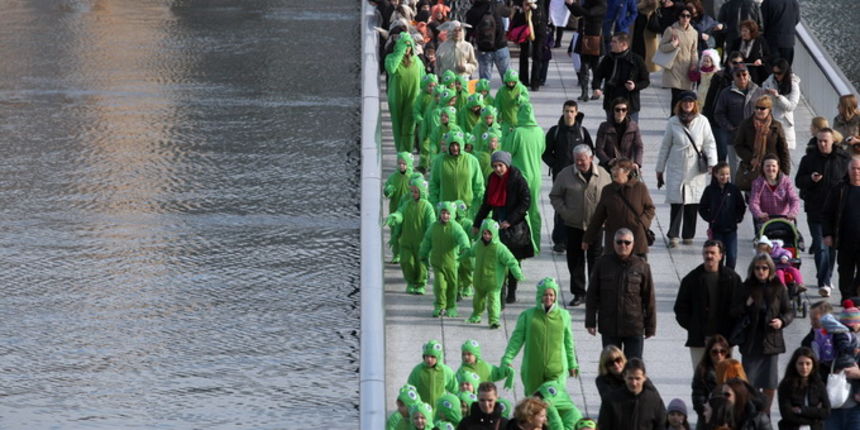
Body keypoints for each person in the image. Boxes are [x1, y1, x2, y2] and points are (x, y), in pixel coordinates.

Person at [731, 253, 795, 415]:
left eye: (764, 268)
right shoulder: (745, 287)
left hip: (771, 342)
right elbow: (733, 311)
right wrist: (746, 305)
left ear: (770, 270)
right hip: (751, 342)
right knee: (749, 382)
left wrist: (781, 321)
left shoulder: (779, 288)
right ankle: (750, 413)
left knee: (769, 383)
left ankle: (764, 414)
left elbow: (788, 311)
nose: (761, 271)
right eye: (757, 268)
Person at [549, 145, 612, 306]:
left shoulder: (603, 175)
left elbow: (611, 197)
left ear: (591, 158)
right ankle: (578, 293)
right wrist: (565, 212)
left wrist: (606, 216)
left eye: (582, 160)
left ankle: (594, 293)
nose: (579, 163)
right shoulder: (565, 174)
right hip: (573, 224)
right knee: (575, 260)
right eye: (577, 160)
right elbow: (555, 196)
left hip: (596, 226)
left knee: (595, 260)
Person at [656, 90, 718, 247]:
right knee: (677, 201)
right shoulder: (673, 122)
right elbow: (665, 146)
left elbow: (709, 143)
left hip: (695, 167)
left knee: (693, 201)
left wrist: (712, 163)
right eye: (685, 102)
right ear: (680, 104)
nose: (688, 105)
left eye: (691, 102)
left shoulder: (702, 121)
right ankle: (673, 235)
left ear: (695, 104)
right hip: (677, 164)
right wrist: (660, 168)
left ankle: (688, 234)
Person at [473, 151, 534, 304]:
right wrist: (477, 222)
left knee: (513, 260)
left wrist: (510, 220)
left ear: (506, 165)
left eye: (500, 165)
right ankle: (500, 291)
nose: (498, 169)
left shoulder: (517, 179)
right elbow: (487, 203)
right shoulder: (492, 179)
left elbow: (526, 201)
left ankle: (512, 291)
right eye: (495, 166)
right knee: (497, 260)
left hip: (514, 226)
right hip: (497, 224)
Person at [585, 228, 656, 359]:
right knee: (612, 368)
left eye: (627, 242)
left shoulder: (642, 266)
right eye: (619, 242)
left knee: (633, 368)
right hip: (609, 326)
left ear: (633, 244)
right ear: (613, 243)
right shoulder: (602, 264)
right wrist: (590, 321)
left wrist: (650, 326)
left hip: (634, 326)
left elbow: (649, 298)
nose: (623, 245)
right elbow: (592, 294)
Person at [501, 277, 579, 396]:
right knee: (532, 402)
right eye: (545, 295)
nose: (548, 298)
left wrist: (572, 363)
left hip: (556, 368)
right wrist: (507, 358)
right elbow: (516, 340)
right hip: (533, 368)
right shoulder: (528, 316)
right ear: (539, 296)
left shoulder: (564, 316)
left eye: (551, 295)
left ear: (556, 296)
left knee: (553, 401)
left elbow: (568, 342)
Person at [797, 129, 851, 297]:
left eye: (825, 141)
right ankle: (824, 282)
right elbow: (799, 181)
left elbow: (850, 183)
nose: (822, 144)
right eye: (819, 141)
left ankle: (826, 275)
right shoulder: (808, 159)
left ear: (833, 141)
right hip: (816, 210)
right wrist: (810, 179)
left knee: (832, 248)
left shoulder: (843, 160)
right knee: (820, 247)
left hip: (837, 213)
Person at [675, 241, 743, 365]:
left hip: (725, 339)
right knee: (700, 378)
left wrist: (733, 331)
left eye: (713, 253)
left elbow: (740, 306)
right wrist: (693, 326)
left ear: (720, 255)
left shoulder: (732, 279)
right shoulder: (691, 279)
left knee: (723, 378)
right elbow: (680, 308)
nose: (709, 256)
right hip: (699, 340)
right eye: (706, 253)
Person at [543, 100, 594, 254]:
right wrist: (556, 165)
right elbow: (545, 153)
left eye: (572, 111)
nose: (569, 114)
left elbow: (591, 151)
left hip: (579, 177)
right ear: (563, 112)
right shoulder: (555, 131)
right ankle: (559, 240)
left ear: (576, 113)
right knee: (560, 207)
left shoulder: (582, 132)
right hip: (560, 177)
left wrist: (584, 167)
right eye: (566, 111)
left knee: (579, 206)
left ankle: (576, 239)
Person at [584, 159, 655, 257]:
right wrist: (587, 239)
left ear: (626, 171)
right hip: (614, 240)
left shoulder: (639, 187)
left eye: (616, 169)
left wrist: (642, 223)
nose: (613, 172)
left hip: (636, 239)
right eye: (612, 169)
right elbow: (598, 216)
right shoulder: (607, 190)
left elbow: (650, 208)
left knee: (637, 270)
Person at [464, 219, 524, 328]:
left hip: (493, 282)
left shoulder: (500, 248)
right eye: (485, 233)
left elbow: (511, 261)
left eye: (489, 234)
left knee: (493, 301)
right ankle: (476, 315)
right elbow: (471, 252)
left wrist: (517, 273)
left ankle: (494, 320)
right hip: (479, 280)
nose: (487, 236)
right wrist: (462, 256)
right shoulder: (479, 245)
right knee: (478, 299)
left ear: (494, 234)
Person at [504, 100, 546, 254]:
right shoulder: (540, 132)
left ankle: (524, 243)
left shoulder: (517, 133)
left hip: (520, 177)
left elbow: (506, 152)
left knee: (520, 210)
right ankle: (537, 244)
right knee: (534, 210)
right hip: (536, 176)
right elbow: (542, 149)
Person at [420, 201, 471, 317]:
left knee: (453, 286)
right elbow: (427, 241)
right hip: (437, 263)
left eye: (448, 213)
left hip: (452, 263)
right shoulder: (434, 227)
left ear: (452, 214)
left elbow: (462, 237)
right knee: (440, 286)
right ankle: (440, 305)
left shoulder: (455, 227)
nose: (445, 216)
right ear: (439, 213)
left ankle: (451, 306)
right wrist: (423, 253)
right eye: (443, 213)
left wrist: (465, 247)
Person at [713, 63, 766, 177]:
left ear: (749, 75)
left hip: (756, 138)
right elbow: (719, 114)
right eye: (738, 75)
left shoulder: (759, 92)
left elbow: (767, 112)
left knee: (755, 171)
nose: (742, 78)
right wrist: (730, 128)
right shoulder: (726, 93)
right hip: (735, 139)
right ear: (733, 77)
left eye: (744, 74)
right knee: (736, 172)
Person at [388, 176, 436, 294]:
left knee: (421, 264)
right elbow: (400, 213)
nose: (413, 194)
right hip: (407, 241)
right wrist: (395, 217)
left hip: (421, 243)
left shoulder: (427, 207)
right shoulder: (407, 204)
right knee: (406, 262)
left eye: (416, 191)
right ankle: (410, 281)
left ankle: (420, 283)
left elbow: (431, 224)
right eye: (412, 191)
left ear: (422, 192)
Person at [734, 95, 791, 190]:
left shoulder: (776, 126)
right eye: (757, 108)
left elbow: (783, 150)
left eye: (762, 108)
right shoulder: (745, 124)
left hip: (771, 171)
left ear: (769, 110)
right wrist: (751, 158)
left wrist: (785, 174)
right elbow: (738, 145)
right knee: (752, 201)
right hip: (752, 169)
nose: (759, 111)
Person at [823, 157, 860, 302]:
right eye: (853, 169)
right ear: (848, 170)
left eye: (859, 169)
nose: (856, 172)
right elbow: (826, 214)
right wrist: (827, 234)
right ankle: (846, 298)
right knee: (845, 272)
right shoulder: (839, 189)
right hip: (845, 240)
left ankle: (854, 295)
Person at [592, 32, 650, 122]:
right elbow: (598, 75)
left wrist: (635, 86)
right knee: (611, 131)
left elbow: (646, 81)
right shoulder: (608, 58)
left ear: (623, 44)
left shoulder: (636, 60)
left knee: (630, 132)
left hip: (630, 102)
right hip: (611, 100)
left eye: (614, 42)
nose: (611, 44)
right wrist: (596, 87)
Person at [698, 162, 747, 268]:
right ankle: (718, 278)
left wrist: (737, 218)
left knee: (732, 256)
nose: (725, 177)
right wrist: (710, 218)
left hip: (731, 230)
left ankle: (730, 278)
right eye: (722, 174)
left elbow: (741, 206)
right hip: (716, 230)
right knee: (718, 257)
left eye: (727, 174)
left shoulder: (733, 189)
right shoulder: (709, 190)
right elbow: (702, 208)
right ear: (715, 174)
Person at [598, 358, 667, 430]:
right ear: (624, 376)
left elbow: (661, 425)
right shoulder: (611, 400)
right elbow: (603, 426)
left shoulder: (654, 401)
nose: (634, 383)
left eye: (638, 379)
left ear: (644, 377)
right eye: (630, 378)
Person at [385, 33, 425, 154]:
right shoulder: (391, 58)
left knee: (409, 128)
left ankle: (407, 154)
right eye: (403, 45)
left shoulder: (417, 62)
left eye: (408, 45)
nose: (406, 48)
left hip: (412, 98)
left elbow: (423, 79)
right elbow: (391, 69)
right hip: (396, 99)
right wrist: (399, 53)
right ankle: (400, 152)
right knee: (398, 127)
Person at [703, 51, 744, 163]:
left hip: (737, 122)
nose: (737, 66)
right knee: (721, 153)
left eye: (741, 63)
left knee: (736, 158)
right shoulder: (719, 76)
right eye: (734, 63)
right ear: (729, 63)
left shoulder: (745, 78)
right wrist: (706, 118)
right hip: (719, 120)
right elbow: (710, 98)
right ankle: (717, 179)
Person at [429, 130, 486, 212]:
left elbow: (478, 185)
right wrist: (435, 204)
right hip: (446, 210)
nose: (455, 148)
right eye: (452, 145)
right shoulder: (439, 161)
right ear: (448, 145)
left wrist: (479, 203)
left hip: (467, 208)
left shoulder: (472, 160)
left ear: (462, 144)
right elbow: (434, 184)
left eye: (457, 145)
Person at [658, 3, 699, 112]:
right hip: (674, 68)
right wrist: (673, 45)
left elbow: (694, 51)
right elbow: (661, 47)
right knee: (676, 97)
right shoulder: (671, 30)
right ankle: (673, 121)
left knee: (686, 98)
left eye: (688, 16)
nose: (685, 18)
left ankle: (682, 120)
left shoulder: (694, 33)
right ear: (678, 17)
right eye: (683, 15)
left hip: (687, 68)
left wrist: (694, 64)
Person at [777, 347, 831, 430]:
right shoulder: (786, 385)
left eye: (808, 363)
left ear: (813, 365)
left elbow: (826, 412)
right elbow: (787, 414)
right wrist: (815, 415)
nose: (804, 367)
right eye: (801, 364)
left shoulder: (819, 384)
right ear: (794, 364)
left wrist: (801, 411)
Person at [566, 0, 608, 102]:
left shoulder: (601, 4)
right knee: (584, 67)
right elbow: (577, 13)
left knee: (596, 68)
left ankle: (596, 90)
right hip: (584, 37)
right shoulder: (588, 3)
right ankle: (584, 92)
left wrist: (574, 4)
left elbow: (589, 13)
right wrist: (568, 4)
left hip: (595, 38)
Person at [748, 153, 800, 233]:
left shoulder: (786, 182)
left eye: (773, 166)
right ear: (763, 167)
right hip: (765, 222)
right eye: (768, 166)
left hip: (783, 221)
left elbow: (794, 199)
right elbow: (753, 202)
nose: (771, 168)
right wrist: (759, 213)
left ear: (778, 167)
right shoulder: (757, 183)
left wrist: (792, 212)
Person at [691, 335, 733, 429]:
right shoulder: (702, 371)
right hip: (708, 419)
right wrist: (709, 413)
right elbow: (697, 398)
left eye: (722, 351)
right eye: (715, 352)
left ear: (727, 353)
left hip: (730, 419)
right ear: (709, 353)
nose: (719, 355)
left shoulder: (734, 370)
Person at [465, 0, 512, 82]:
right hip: (500, 45)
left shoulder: (472, 11)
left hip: (483, 48)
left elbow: (469, 31)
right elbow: (508, 12)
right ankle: (510, 94)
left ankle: (484, 94)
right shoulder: (496, 5)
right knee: (508, 79)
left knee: (484, 81)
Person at [408, 340, 458, 413]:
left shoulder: (445, 371)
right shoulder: (417, 371)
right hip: (422, 412)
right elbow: (410, 389)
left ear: (438, 357)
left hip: (440, 411)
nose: (429, 359)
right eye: (427, 356)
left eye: (432, 356)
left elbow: (455, 389)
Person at [594, 98, 645, 170]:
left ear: (627, 111)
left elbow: (639, 147)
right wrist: (608, 161)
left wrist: (637, 163)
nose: (620, 112)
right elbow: (599, 149)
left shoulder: (633, 126)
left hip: (627, 166)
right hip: (609, 167)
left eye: (623, 110)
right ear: (613, 111)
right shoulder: (604, 127)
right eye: (617, 110)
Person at [385, 152, 417, 264]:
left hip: (409, 210)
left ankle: (408, 254)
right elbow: (386, 191)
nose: (402, 166)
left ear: (409, 164)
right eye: (399, 163)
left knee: (407, 232)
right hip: (395, 208)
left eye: (404, 163)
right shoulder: (393, 178)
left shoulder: (413, 178)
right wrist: (389, 190)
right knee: (395, 232)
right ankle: (396, 254)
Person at [761, 58, 800, 150]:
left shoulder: (794, 85)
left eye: (779, 73)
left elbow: (791, 106)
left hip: (784, 122)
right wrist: (766, 90)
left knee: (784, 152)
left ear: (785, 73)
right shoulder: (772, 78)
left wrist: (778, 97)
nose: (776, 75)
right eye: (774, 72)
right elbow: (764, 85)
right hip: (770, 119)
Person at [729, 20, 769, 85]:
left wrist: (760, 60)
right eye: (742, 31)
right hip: (739, 72)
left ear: (752, 32)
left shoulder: (760, 41)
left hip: (755, 73)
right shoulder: (737, 41)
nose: (743, 33)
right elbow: (731, 56)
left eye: (745, 31)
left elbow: (768, 55)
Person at [760, 0, 799, 65]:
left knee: (773, 68)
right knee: (786, 68)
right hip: (788, 41)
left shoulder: (768, 2)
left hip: (772, 41)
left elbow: (762, 22)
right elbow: (797, 19)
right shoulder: (794, 2)